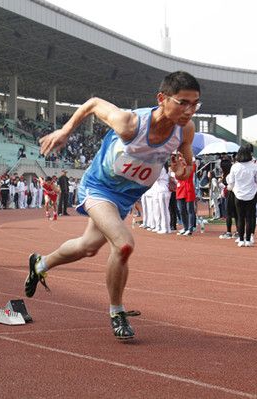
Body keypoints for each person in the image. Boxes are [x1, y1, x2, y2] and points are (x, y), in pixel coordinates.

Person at [24, 71, 200, 340]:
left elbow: (186, 172)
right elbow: (94, 103)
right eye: (183, 102)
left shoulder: (185, 130)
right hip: (98, 189)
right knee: (124, 243)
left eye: (195, 103)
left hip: (126, 199)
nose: (190, 110)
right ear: (162, 99)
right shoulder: (130, 123)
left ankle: (40, 264)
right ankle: (117, 311)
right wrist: (65, 131)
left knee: (88, 247)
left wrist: (180, 170)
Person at [226, 145, 257, 247]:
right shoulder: (254, 166)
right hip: (251, 194)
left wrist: (229, 187)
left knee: (240, 217)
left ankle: (241, 239)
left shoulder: (235, 167)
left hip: (238, 195)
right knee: (249, 217)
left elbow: (231, 182)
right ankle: (248, 239)